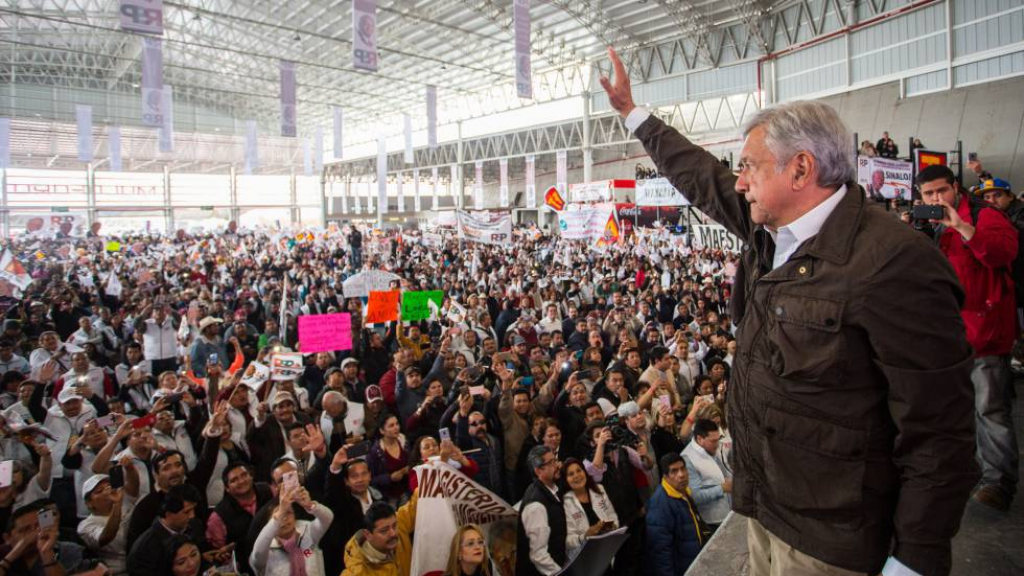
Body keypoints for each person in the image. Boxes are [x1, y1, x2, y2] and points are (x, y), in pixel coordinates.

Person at [600, 46, 977, 575]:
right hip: (764, 510)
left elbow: (940, 430)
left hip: (832, 540)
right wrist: (632, 114)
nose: (739, 180)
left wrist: (915, 559)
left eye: (750, 166)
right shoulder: (769, 230)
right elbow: (702, 176)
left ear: (801, 169)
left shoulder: (893, 263)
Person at [918, 165, 1019, 511]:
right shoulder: (931, 226)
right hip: (947, 336)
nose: (936, 199)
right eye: (928, 195)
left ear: (956, 188)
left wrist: (962, 227)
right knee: (955, 411)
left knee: (989, 408)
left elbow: (1003, 253)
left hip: (986, 332)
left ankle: (999, 482)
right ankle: (972, 473)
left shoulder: (984, 215)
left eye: (941, 191)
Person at [249, 483, 334, 576]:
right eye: (280, 515)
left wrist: (310, 505)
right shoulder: (266, 548)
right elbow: (257, 553)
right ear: (270, 523)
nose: (284, 518)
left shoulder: (307, 532)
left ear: (295, 516)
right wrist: (280, 513)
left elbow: (328, 518)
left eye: (288, 513)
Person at [645, 453, 707, 576]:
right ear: (665, 476)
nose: (681, 475)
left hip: (694, 563)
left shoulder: (683, 492)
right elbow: (661, 552)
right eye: (674, 471)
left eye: (683, 468)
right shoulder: (660, 505)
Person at [340, 492, 419, 576]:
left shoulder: (399, 522)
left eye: (394, 526)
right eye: (384, 531)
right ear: (368, 535)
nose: (393, 533)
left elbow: (417, 503)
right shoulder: (358, 572)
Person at [516, 445, 565, 576]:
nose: (558, 465)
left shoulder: (552, 489)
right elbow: (538, 555)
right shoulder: (536, 506)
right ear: (538, 471)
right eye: (551, 462)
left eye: (555, 459)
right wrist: (561, 573)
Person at [560, 457, 618, 559]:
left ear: (585, 472)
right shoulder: (565, 503)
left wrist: (611, 526)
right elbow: (567, 540)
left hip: (606, 551)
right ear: (565, 480)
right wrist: (585, 536)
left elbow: (612, 515)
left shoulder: (599, 489)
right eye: (571, 474)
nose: (577, 476)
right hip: (584, 559)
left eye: (579, 470)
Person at [680, 419, 731, 529]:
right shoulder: (687, 459)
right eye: (713, 441)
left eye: (718, 440)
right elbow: (695, 496)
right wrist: (722, 489)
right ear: (699, 439)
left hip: (728, 513)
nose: (717, 444)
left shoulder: (713, 448)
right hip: (712, 522)